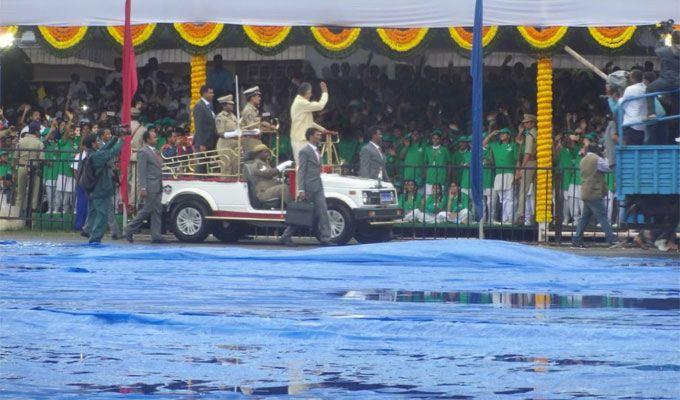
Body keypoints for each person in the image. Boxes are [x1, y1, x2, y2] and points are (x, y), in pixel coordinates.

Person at [280, 128, 332, 246]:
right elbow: (301, 171)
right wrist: (301, 189)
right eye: (317, 135)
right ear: (311, 136)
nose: (320, 137)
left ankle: (325, 238)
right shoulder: (305, 151)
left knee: (322, 211)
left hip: (318, 186)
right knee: (302, 213)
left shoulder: (316, 151)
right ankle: (286, 235)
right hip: (308, 187)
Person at [572, 144, 619, 248]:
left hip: (585, 191)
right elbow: (608, 169)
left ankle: (576, 239)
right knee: (602, 216)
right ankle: (612, 239)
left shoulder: (583, 160)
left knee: (584, 217)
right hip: (594, 192)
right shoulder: (597, 159)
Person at [124, 130, 166, 243]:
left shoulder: (155, 151)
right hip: (150, 185)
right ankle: (129, 228)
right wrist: (143, 187)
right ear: (147, 139)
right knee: (147, 209)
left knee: (156, 210)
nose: (156, 139)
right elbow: (142, 171)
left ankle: (156, 235)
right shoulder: (143, 152)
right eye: (154, 137)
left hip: (157, 184)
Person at [83, 133, 123, 244]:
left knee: (94, 212)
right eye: (97, 141)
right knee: (102, 215)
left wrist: (115, 138)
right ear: (93, 144)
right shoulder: (96, 156)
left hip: (95, 190)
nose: (99, 142)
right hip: (100, 190)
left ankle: (88, 231)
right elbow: (111, 153)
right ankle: (95, 238)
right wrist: (122, 141)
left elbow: (105, 149)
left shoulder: (93, 154)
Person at [289, 82, 329, 165]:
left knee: (307, 165)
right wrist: (325, 92)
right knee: (302, 166)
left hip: (301, 139)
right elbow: (320, 106)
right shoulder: (301, 103)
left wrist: (322, 129)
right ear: (307, 92)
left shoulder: (299, 102)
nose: (311, 94)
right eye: (310, 92)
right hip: (300, 140)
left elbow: (309, 122)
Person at [484, 127, 518, 224]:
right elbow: (483, 145)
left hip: (510, 173)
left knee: (510, 197)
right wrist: (491, 135)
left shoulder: (513, 145)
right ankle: (505, 219)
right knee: (502, 198)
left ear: (508, 135)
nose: (502, 135)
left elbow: (517, 159)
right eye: (500, 134)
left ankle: (510, 219)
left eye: (504, 133)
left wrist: (517, 172)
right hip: (499, 174)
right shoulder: (495, 145)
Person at [646, 30, 679, 119]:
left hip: (667, 80)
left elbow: (656, 49)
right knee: (677, 102)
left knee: (649, 89)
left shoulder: (666, 51)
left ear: (672, 40)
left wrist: (663, 37)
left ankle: (651, 113)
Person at [13, 121, 44, 215]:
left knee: (20, 193)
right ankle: (31, 218)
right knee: (34, 194)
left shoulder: (21, 141)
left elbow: (15, 157)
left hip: (22, 167)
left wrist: (15, 171)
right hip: (34, 169)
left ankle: (16, 216)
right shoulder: (39, 143)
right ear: (36, 131)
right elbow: (42, 159)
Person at [515, 114, 536, 225]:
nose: (525, 124)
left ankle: (521, 215)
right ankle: (536, 215)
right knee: (536, 192)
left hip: (530, 162)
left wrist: (522, 168)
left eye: (527, 122)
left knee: (523, 189)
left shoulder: (530, 135)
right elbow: (518, 141)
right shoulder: (537, 133)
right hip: (538, 162)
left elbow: (527, 153)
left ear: (532, 123)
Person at [618, 69, 647, 145]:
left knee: (631, 145)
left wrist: (619, 98)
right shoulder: (645, 88)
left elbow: (623, 104)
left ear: (633, 78)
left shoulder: (630, 89)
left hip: (632, 124)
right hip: (643, 123)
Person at [192, 85, 217, 174]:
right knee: (200, 167)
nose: (213, 94)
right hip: (202, 143)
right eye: (210, 93)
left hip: (209, 142)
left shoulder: (209, 106)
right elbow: (198, 126)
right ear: (204, 93)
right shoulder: (199, 106)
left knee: (206, 167)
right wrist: (201, 143)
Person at [214, 94, 239, 175]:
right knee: (226, 169)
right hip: (225, 146)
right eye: (230, 104)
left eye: (232, 104)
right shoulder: (220, 117)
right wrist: (234, 133)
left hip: (235, 146)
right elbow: (221, 133)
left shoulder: (233, 116)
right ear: (224, 106)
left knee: (236, 169)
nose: (232, 105)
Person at [240, 86, 267, 155]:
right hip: (250, 140)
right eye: (258, 96)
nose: (260, 98)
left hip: (255, 139)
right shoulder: (248, 110)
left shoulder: (253, 110)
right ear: (252, 98)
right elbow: (252, 127)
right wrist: (264, 125)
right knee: (253, 161)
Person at [423, 130, 450, 195]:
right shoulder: (427, 149)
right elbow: (425, 163)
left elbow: (449, 163)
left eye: (437, 138)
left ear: (440, 140)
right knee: (428, 196)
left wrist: (448, 175)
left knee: (440, 197)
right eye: (434, 138)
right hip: (430, 176)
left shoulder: (444, 149)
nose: (435, 140)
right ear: (431, 139)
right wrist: (425, 174)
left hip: (441, 176)